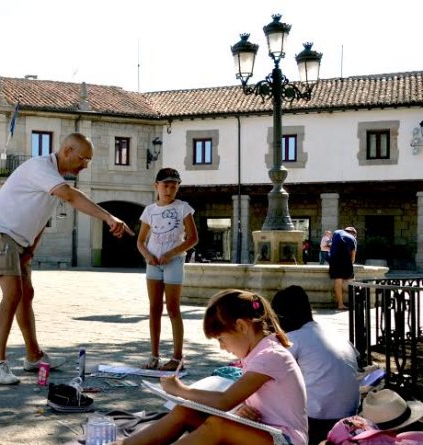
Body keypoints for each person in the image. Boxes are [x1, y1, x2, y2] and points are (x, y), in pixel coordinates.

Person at [0, 132, 134, 385]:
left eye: (89, 161)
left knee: (25, 294)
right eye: (84, 159)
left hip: (19, 240)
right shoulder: (41, 168)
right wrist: (109, 217)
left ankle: (33, 357)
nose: (85, 165)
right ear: (67, 150)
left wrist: (31, 249)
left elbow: (41, 219)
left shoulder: (54, 178)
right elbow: (72, 196)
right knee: (12, 294)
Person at [112, 289, 308, 445]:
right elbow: (245, 401)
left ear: (241, 326)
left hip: (285, 440)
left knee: (218, 425)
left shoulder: (270, 355)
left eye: (222, 339)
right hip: (263, 431)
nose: (222, 347)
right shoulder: (257, 353)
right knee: (185, 411)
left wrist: (181, 390)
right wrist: (242, 409)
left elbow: (224, 401)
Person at [271, 285, 360, 445]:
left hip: (317, 422)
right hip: (348, 417)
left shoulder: (295, 338)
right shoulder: (332, 333)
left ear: (281, 317)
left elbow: (269, 370)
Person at [137, 167, 198, 371]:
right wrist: (148, 256)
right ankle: (154, 355)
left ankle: (177, 357)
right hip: (153, 264)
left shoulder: (183, 208)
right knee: (154, 309)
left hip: (173, 263)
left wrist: (171, 253)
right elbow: (140, 241)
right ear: (156, 186)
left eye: (174, 186)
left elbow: (193, 238)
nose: (169, 190)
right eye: (165, 185)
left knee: (173, 309)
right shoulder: (149, 211)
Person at [329, 227, 358, 310]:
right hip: (346, 260)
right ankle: (353, 302)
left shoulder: (336, 232)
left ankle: (340, 304)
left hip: (334, 259)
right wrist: (350, 265)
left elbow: (332, 245)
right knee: (351, 280)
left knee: (338, 279)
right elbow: (353, 257)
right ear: (353, 233)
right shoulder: (353, 239)